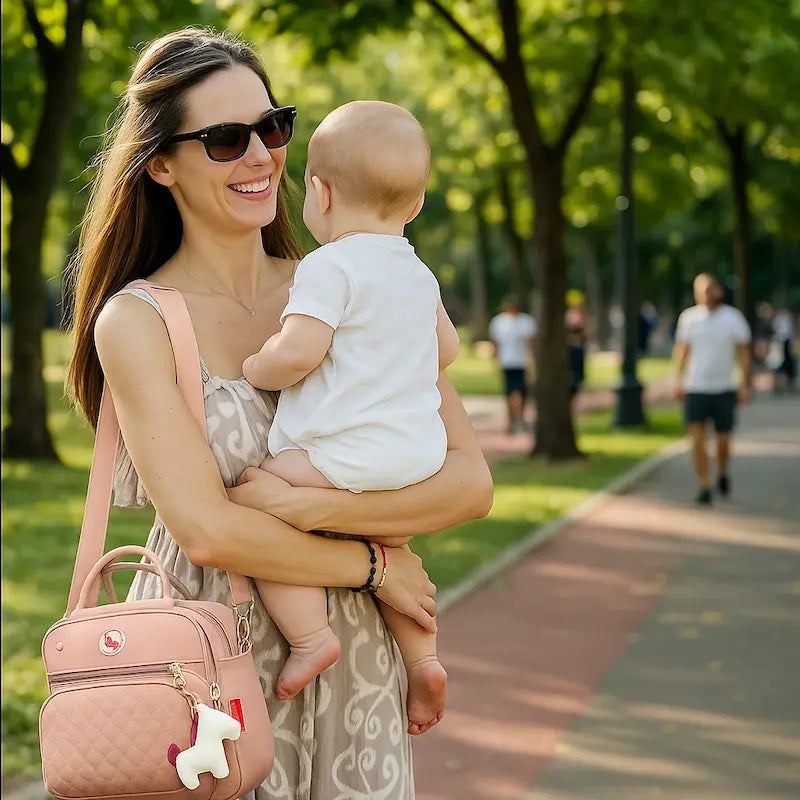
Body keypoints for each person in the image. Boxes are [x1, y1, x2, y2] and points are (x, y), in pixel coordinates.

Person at [65, 28, 493, 798]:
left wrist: (311, 511)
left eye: (272, 127)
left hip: (359, 666)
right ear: (161, 163)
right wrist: (373, 563)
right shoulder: (138, 321)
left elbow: (468, 484)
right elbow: (208, 529)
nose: (261, 156)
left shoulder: (353, 281)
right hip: (211, 673)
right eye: (227, 139)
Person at [241, 101, 457, 731]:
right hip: (416, 455)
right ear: (414, 206)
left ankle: (310, 639)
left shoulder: (327, 265)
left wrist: (260, 366)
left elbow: (301, 350)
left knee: (262, 503)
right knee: (391, 539)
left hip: (343, 455)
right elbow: (447, 350)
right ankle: (423, 660)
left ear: (320, 194)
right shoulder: (417, 271)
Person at [673, 273, 752, 505]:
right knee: (697, 438)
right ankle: (704, 484)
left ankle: (723, 472)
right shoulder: (689, 318)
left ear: (718, 290)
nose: (704, 295)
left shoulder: (733, 318)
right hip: (696, 387)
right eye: (700, 290)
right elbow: (682, 350)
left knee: (723, 439)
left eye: (708, 289)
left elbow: (744, 353)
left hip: (724, 388)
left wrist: (745, 382)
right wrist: (677, 379)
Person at [489, 298, 536, 433]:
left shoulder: (524, 321)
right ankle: (512, 420)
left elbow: (529, 343)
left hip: (520, 362)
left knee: (521, 392)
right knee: (510, 392)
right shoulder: (499, 322)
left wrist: (529, 360)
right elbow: (495, 343)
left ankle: (519, 418)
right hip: (508, 362)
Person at [772, 308, 797, 393]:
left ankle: (786, 385)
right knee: (779, 364)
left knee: (787, 365)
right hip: (781, 344)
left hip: (786, 344)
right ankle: (780, 386)